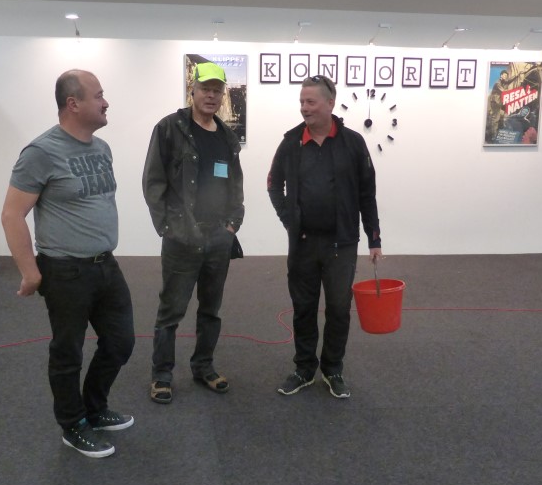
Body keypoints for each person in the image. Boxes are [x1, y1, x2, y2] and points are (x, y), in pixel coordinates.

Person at [1, 69, 135, 458]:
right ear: (73, 104)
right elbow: (12, 215)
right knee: (68, 352)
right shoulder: (41, 153)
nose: (106, 102)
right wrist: (30, 271)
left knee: (121, 342)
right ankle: (72, 424)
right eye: (99, 96)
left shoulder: (101, 148)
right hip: (65, 271)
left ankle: (94, 408)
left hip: (105, 264)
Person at [267, 74, 382, 399]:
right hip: (302, 243)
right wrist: (289, 219)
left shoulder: (353, 143)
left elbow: (367, 193)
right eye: (302, 102)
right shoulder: (291, 142)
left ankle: (332, 369)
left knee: (338, 309)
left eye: (311, 102)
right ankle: (304, 369)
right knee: (303, 307)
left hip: (341, 244)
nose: (304, 108)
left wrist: (374, 238)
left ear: (330, 103)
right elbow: (274, 184)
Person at [142, 61, 244, 404]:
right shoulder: (169, 128)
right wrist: (167, 226)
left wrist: (232, 224)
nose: (211, 96)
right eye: (205, 89)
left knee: (211, 310)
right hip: (182, 236)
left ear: (222, 95)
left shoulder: (227, 136)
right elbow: (153, 181)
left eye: (217, 90)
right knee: (171, 311)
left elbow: (235, 183)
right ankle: (162, 375)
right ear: (193, 91)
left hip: (218, 238)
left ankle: (203, 367)